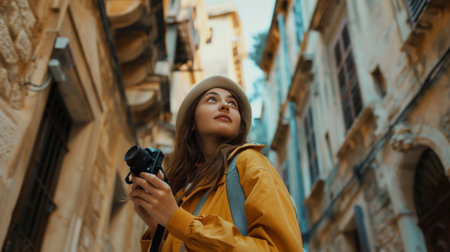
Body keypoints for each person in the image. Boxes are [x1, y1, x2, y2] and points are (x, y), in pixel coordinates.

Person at [129, 75, 303, 251]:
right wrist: (157, 226)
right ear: (192, 123)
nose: (225, 105)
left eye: (232, 104)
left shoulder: (249, 161)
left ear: (240, 126)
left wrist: (176, 219)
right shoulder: (184, 192)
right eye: (212, 99)